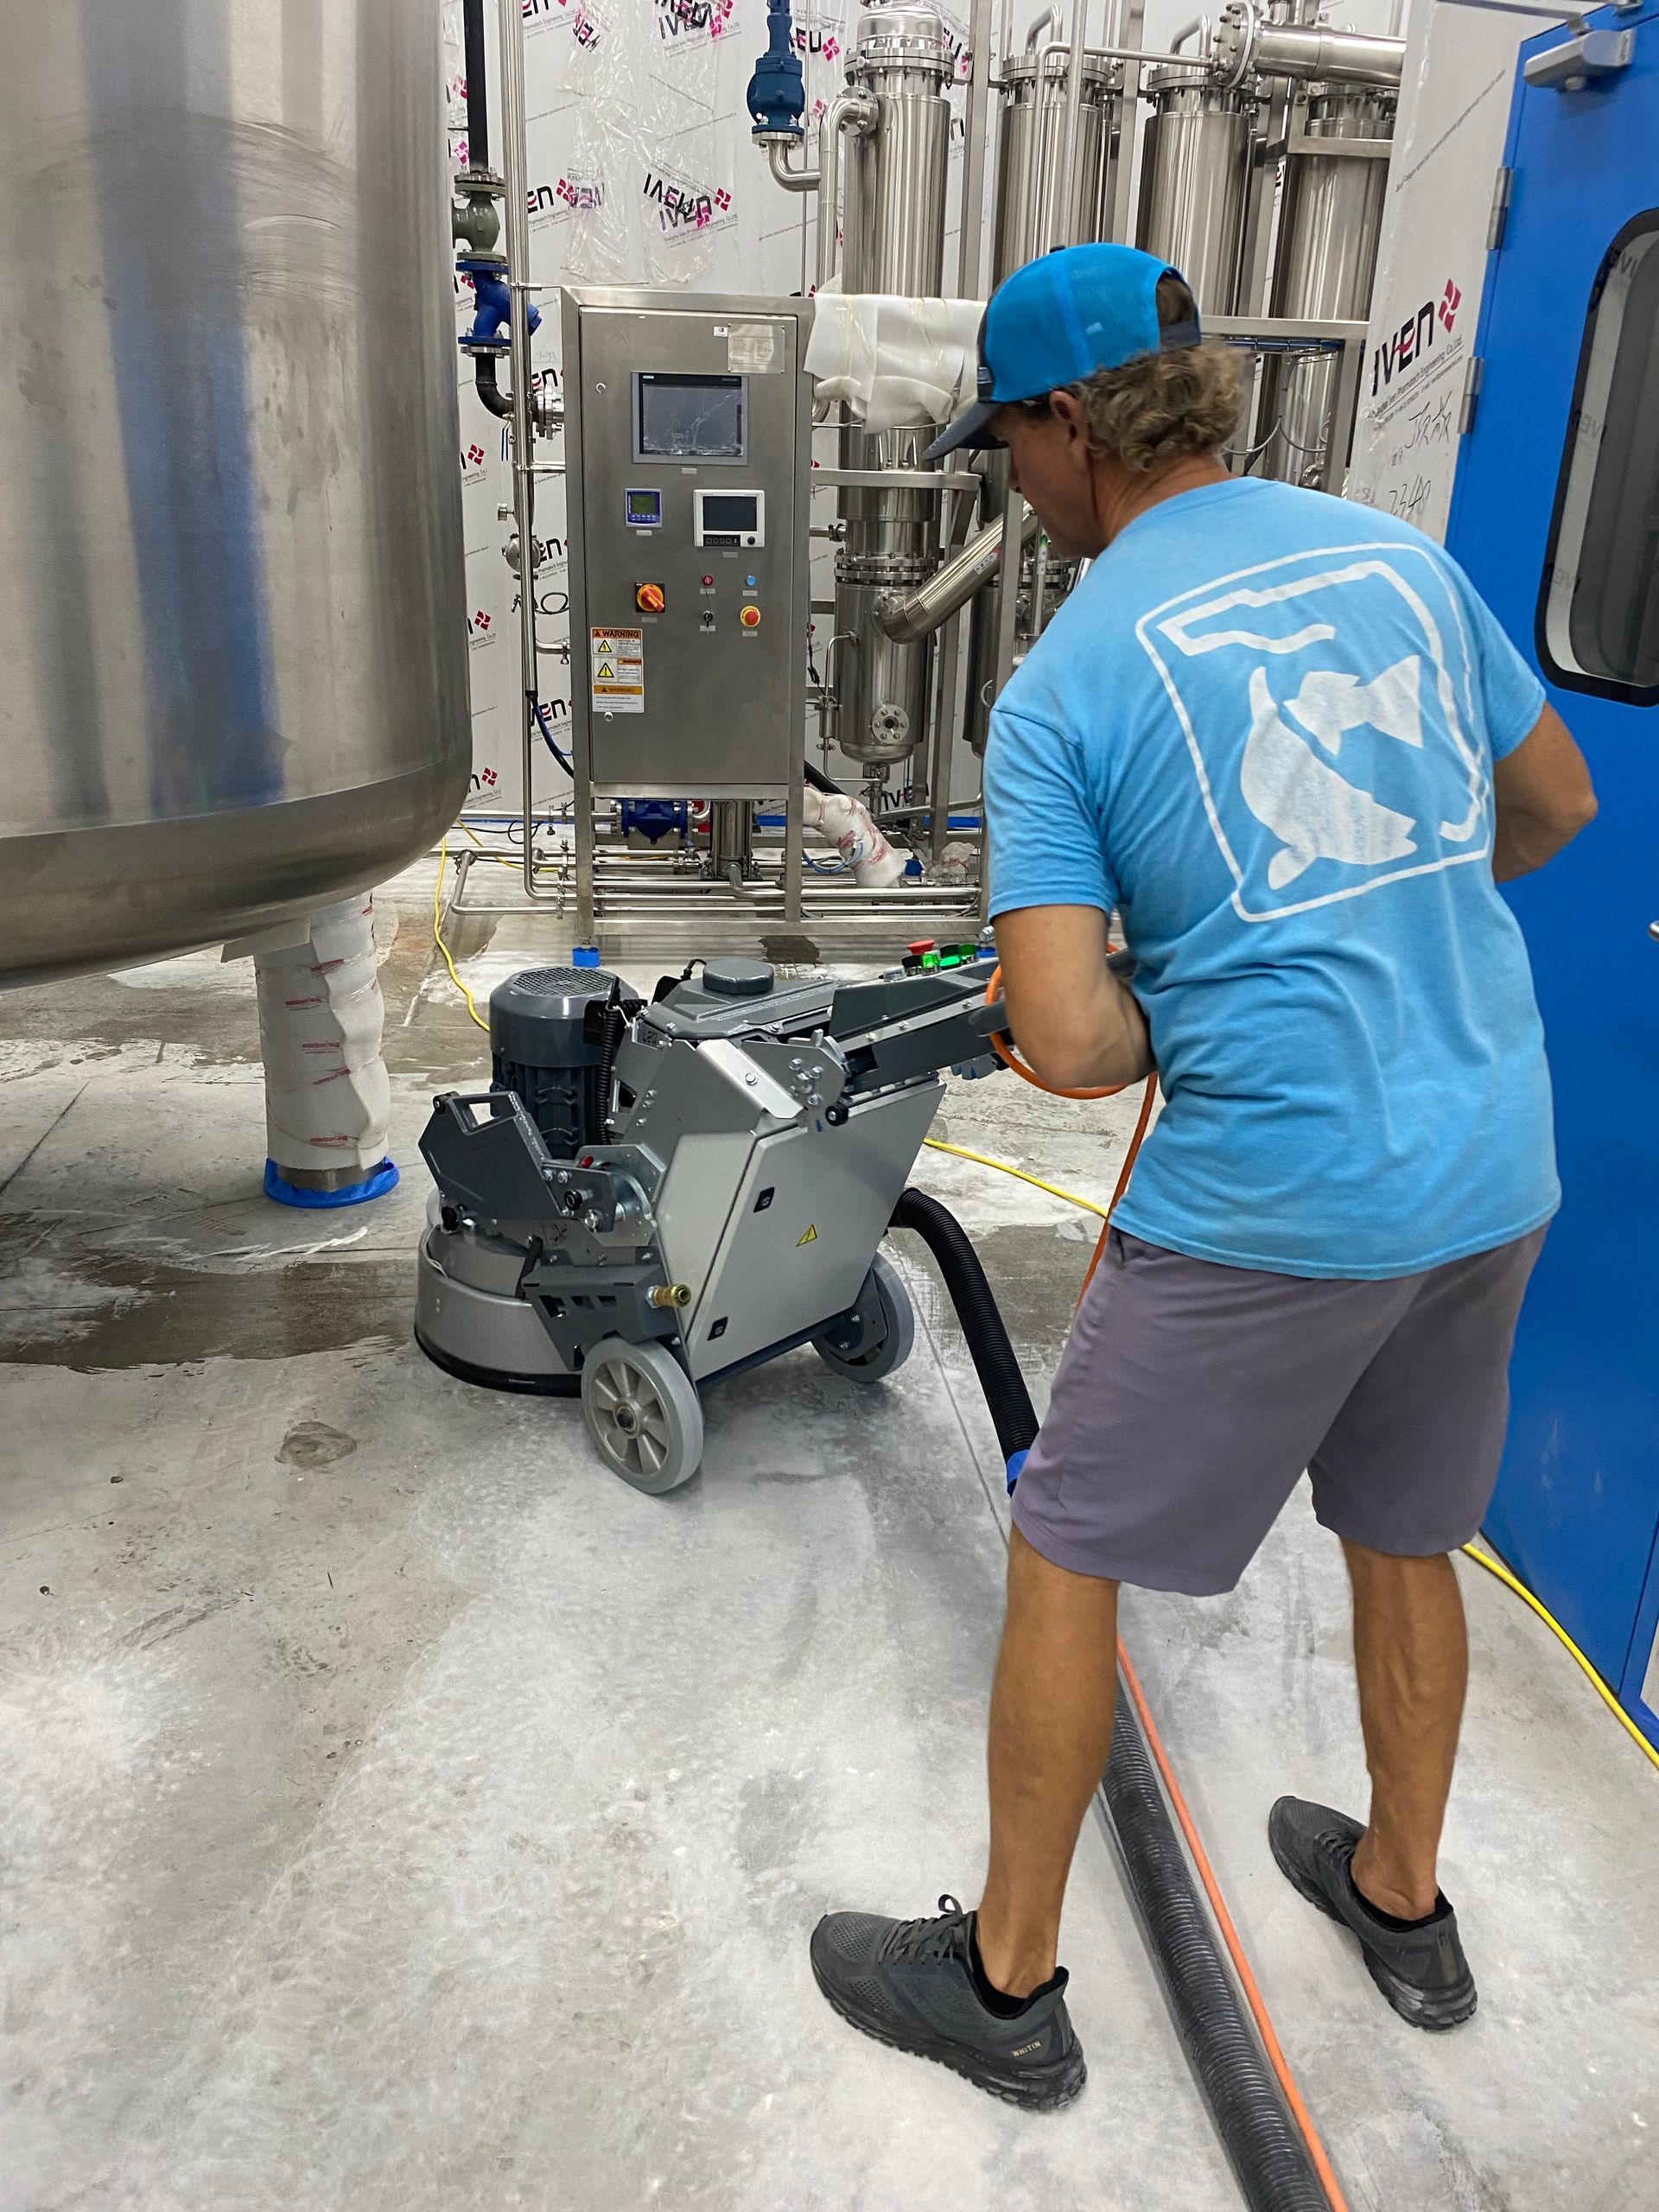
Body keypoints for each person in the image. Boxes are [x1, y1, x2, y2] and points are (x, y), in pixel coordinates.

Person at [808, 244, 1598, 2113]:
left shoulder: (1068, 684)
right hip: (1490, 1157)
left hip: (1277, 1202)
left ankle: (1004, 1986)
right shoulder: (1396, 561)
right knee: (1411, 1531)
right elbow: (1552, 806)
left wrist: (1188, 994)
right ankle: (1402, 1894)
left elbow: (1071, 1043)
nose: (1007, 478)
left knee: (1069, 1544)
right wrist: (1381, 927)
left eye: (1009, 437)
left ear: (1074, 421)